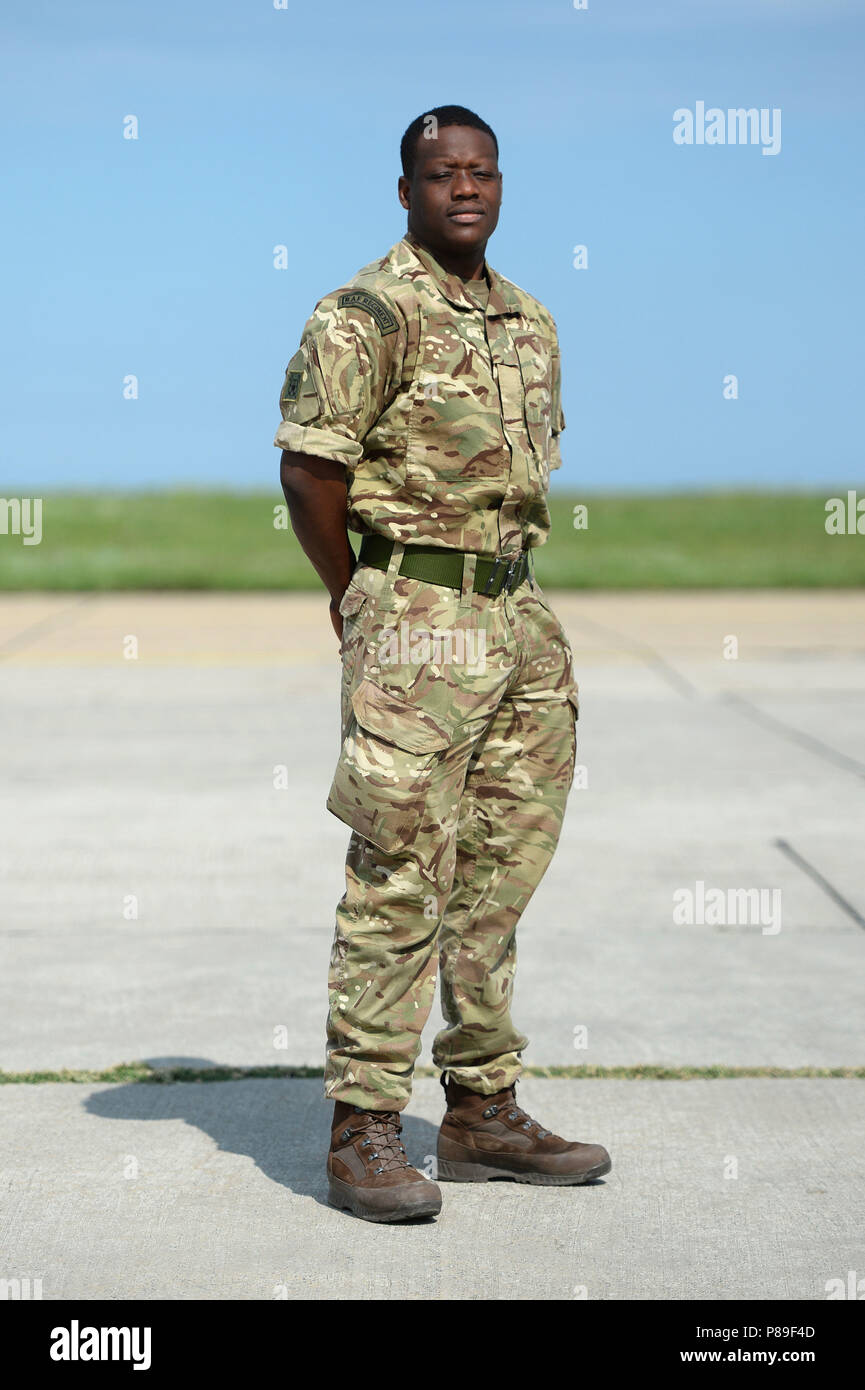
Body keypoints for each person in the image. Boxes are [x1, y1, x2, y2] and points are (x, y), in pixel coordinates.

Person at [277, 104, 611, 1223]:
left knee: (498, 877)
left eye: (481, 172)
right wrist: (358, 594)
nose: (463, 188)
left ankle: (480, 1109)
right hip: (415, 623)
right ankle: (362, 1125)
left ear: (500, 184)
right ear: (408, 190)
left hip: (517, 620)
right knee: (399, 875)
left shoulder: (530, 320)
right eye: (440, 174)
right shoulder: (365, 313)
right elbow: (310, 472)